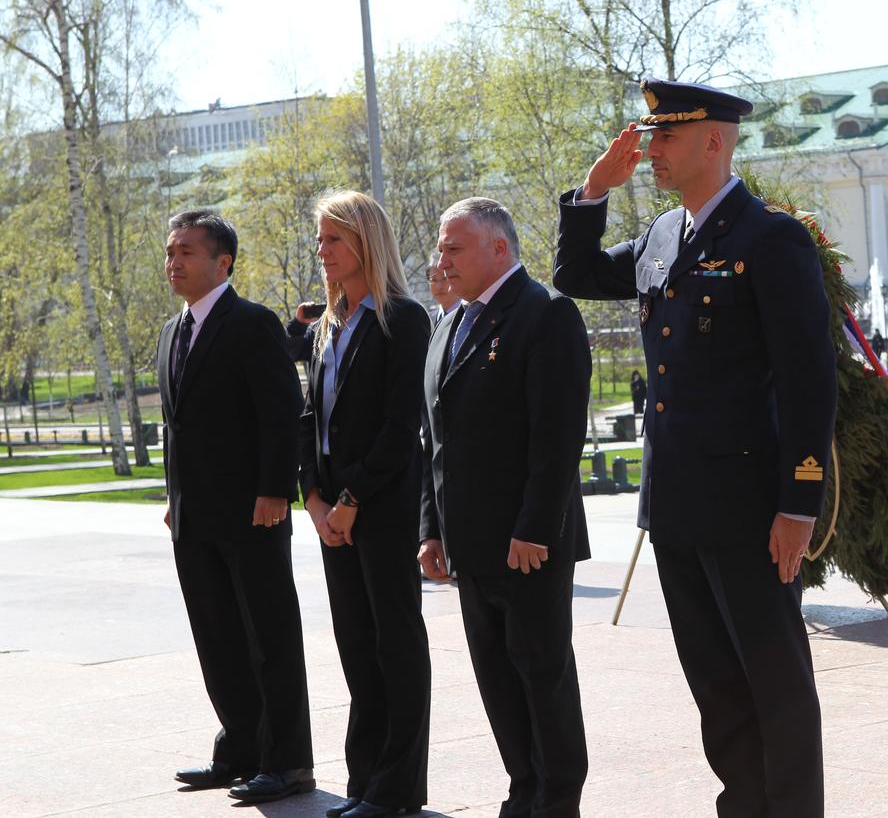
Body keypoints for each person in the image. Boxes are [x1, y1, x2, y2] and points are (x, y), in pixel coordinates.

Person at [554, 79, 836, 818]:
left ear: (715, 141)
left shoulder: (770, 238)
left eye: (666, 137)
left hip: (749, 507)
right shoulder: (659, 238)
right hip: (676, 504)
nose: (650, 150)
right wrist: (592, 189)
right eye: (649, 137)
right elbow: (575, 275)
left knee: (774, 684)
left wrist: (798, 503)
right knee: (715, 684)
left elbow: (809, 381)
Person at [419, 197, 592, 818]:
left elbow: (557, 436)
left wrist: (536, 527)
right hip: (469, 543)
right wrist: (432, 531)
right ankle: (524, 790)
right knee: (497, 678)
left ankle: (557, 799)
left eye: (453, 248)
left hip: (528, 544)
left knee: (542, 676)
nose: (442, 259)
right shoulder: (449, 326)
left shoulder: (545, 315)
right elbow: (434, 440)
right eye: (442, 248)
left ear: (499, 249)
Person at [157, 210, 314, 803]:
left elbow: (279, 411)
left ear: (223, 263)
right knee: (217, 637)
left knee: (268, 637)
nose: (174, 261)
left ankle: (289, 762)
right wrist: (176, 498)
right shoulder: (173, 330)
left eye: (187, 252)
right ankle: (241, 750)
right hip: (194, 517)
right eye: (171, 251)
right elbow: (178, 427)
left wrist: (276, 488)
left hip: (254, 512)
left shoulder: (251, 323)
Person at [298, 190, 433, 818]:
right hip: (334, 514)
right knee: (357, 645)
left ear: (365, 243)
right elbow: (311, 419)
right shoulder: (328, 324)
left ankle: (398, 789)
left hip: (380, 510)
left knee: (395, 646)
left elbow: (401, 425)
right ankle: (365, 781)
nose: (321, 252)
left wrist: (351, 498)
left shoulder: (403, 320)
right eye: (320, 240)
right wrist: (315, 496)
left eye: (332, 240)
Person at [427, 251, 461, 323]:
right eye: (434, 280)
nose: (439, 286)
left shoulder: (469, 317)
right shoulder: (427, 321)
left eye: (445, 278)